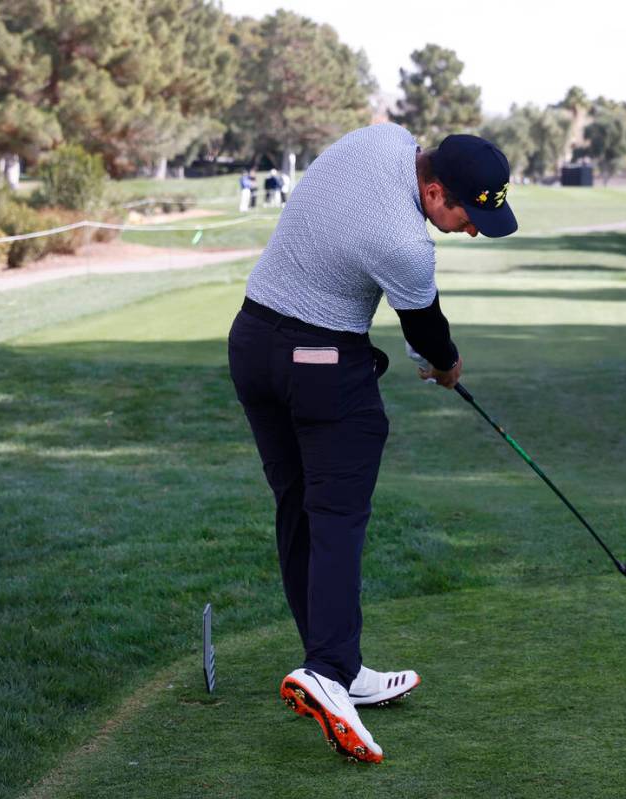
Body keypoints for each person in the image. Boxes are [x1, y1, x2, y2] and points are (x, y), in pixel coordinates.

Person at [227, 124, 517, 764]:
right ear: (435, 190)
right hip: (320, 359)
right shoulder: (407, 247)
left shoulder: (383, 137)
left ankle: (339, 665)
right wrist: (446, 365)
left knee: (300, 503)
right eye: (468, 214)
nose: (473, 228)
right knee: (336, 514)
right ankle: (327, 671)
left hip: (251, 341)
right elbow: (426, 334)